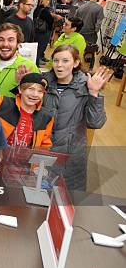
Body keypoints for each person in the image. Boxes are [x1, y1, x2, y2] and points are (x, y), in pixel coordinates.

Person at [42, 45, 110, 190]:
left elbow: (95, 123)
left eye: (65, 61)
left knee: (66, 202)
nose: (59, 65)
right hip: (43, 153)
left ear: (76, 63)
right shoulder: (43, 84)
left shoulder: (86, 86)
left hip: (71, 158)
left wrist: (94, 93)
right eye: (56, 60)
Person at [0, 23, 39, 98]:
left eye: (11, 40)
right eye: (1, 40)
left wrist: (22, 84)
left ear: (18, 43)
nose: (5, 44)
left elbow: (37, 101)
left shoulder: (29, 67)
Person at [33, 0, 54, 66]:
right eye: (47, 1)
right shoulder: (44, 11)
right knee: (41, 47)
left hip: (37, 30)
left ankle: (38, 60)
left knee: (38, 47)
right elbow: (51, 20)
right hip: (43, 31)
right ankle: (37, 62)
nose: (48, 2)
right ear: (43, 2)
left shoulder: (37, 9)